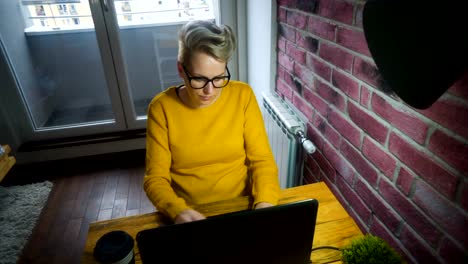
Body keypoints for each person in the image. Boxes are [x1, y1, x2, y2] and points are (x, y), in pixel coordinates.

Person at [144, 20, 279, 224]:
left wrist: (265, 203)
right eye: (199, 79)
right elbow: (155, 179)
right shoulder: (161, 108)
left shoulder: (243, 96)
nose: (210, 91)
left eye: (219, 78)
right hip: (189, 214)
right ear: (181, 70)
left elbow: (262, 161)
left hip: (241, 206)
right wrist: (178, 210)